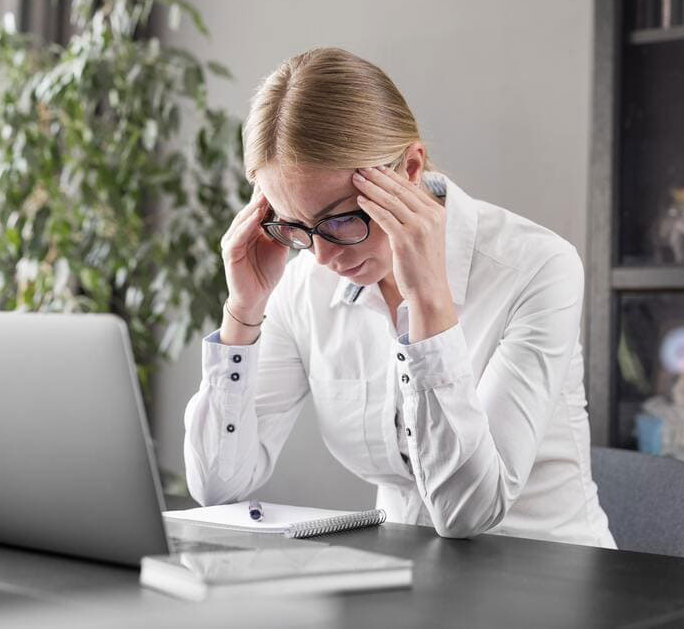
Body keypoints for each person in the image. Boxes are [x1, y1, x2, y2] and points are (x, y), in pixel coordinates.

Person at [183, 47, 615, 548]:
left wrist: (429, 304)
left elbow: (467, 512)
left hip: (550, 578)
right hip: (401, 578)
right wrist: (243, 312)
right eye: (295, 226)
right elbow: (219, 486)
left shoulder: (538, 268)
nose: (321, 256)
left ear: (409, 168)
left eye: (342, 219)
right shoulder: (304, 283)